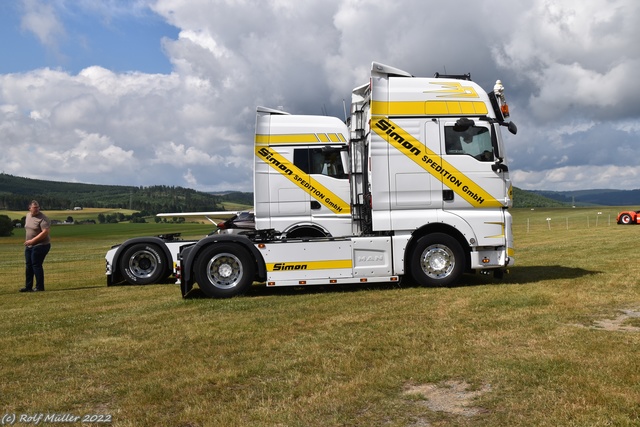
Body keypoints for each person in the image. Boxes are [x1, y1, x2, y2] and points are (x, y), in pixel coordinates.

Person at [20, 200, 51, 292]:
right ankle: (28, 287)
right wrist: (29, 242)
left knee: (36, 264)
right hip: (29, 245)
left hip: (41, 245)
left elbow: (45, 232)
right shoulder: (28, 216)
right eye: (35, 207)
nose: (37, 209)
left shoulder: (43, 218)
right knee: (29, 265)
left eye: (38, 207)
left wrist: (33, 241)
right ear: (29, 208)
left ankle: (39, 287)